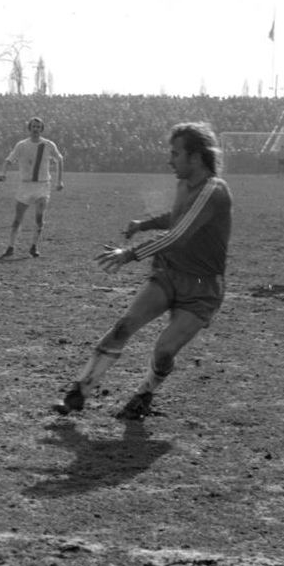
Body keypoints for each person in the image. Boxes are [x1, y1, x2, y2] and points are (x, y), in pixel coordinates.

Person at [54, 121, 231, 421]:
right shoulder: (184, 185)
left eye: (176, 153)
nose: (170, 160)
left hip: (202, 288)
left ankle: (145, 392)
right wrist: (144, 224)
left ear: (196, 157)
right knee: (124, 326)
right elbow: (177, 218)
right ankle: (78, 392)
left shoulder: (214, 190)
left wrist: (130, 254)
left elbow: (179, 235)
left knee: (164, 352)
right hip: (169, 274)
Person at [0, 116, 65, 257]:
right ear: (29, 128)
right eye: (33, 126)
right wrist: (3, 173)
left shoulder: (48, 145)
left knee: (39, 217)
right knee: (18, 218)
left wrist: (60, 181)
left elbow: (59, 159)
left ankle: (34, 246)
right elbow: (8, 160)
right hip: (25, 186)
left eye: (38, 127)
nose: (36, 129)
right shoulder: (21, 145)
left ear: (41, 129)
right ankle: (11, 246)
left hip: (42, 185)